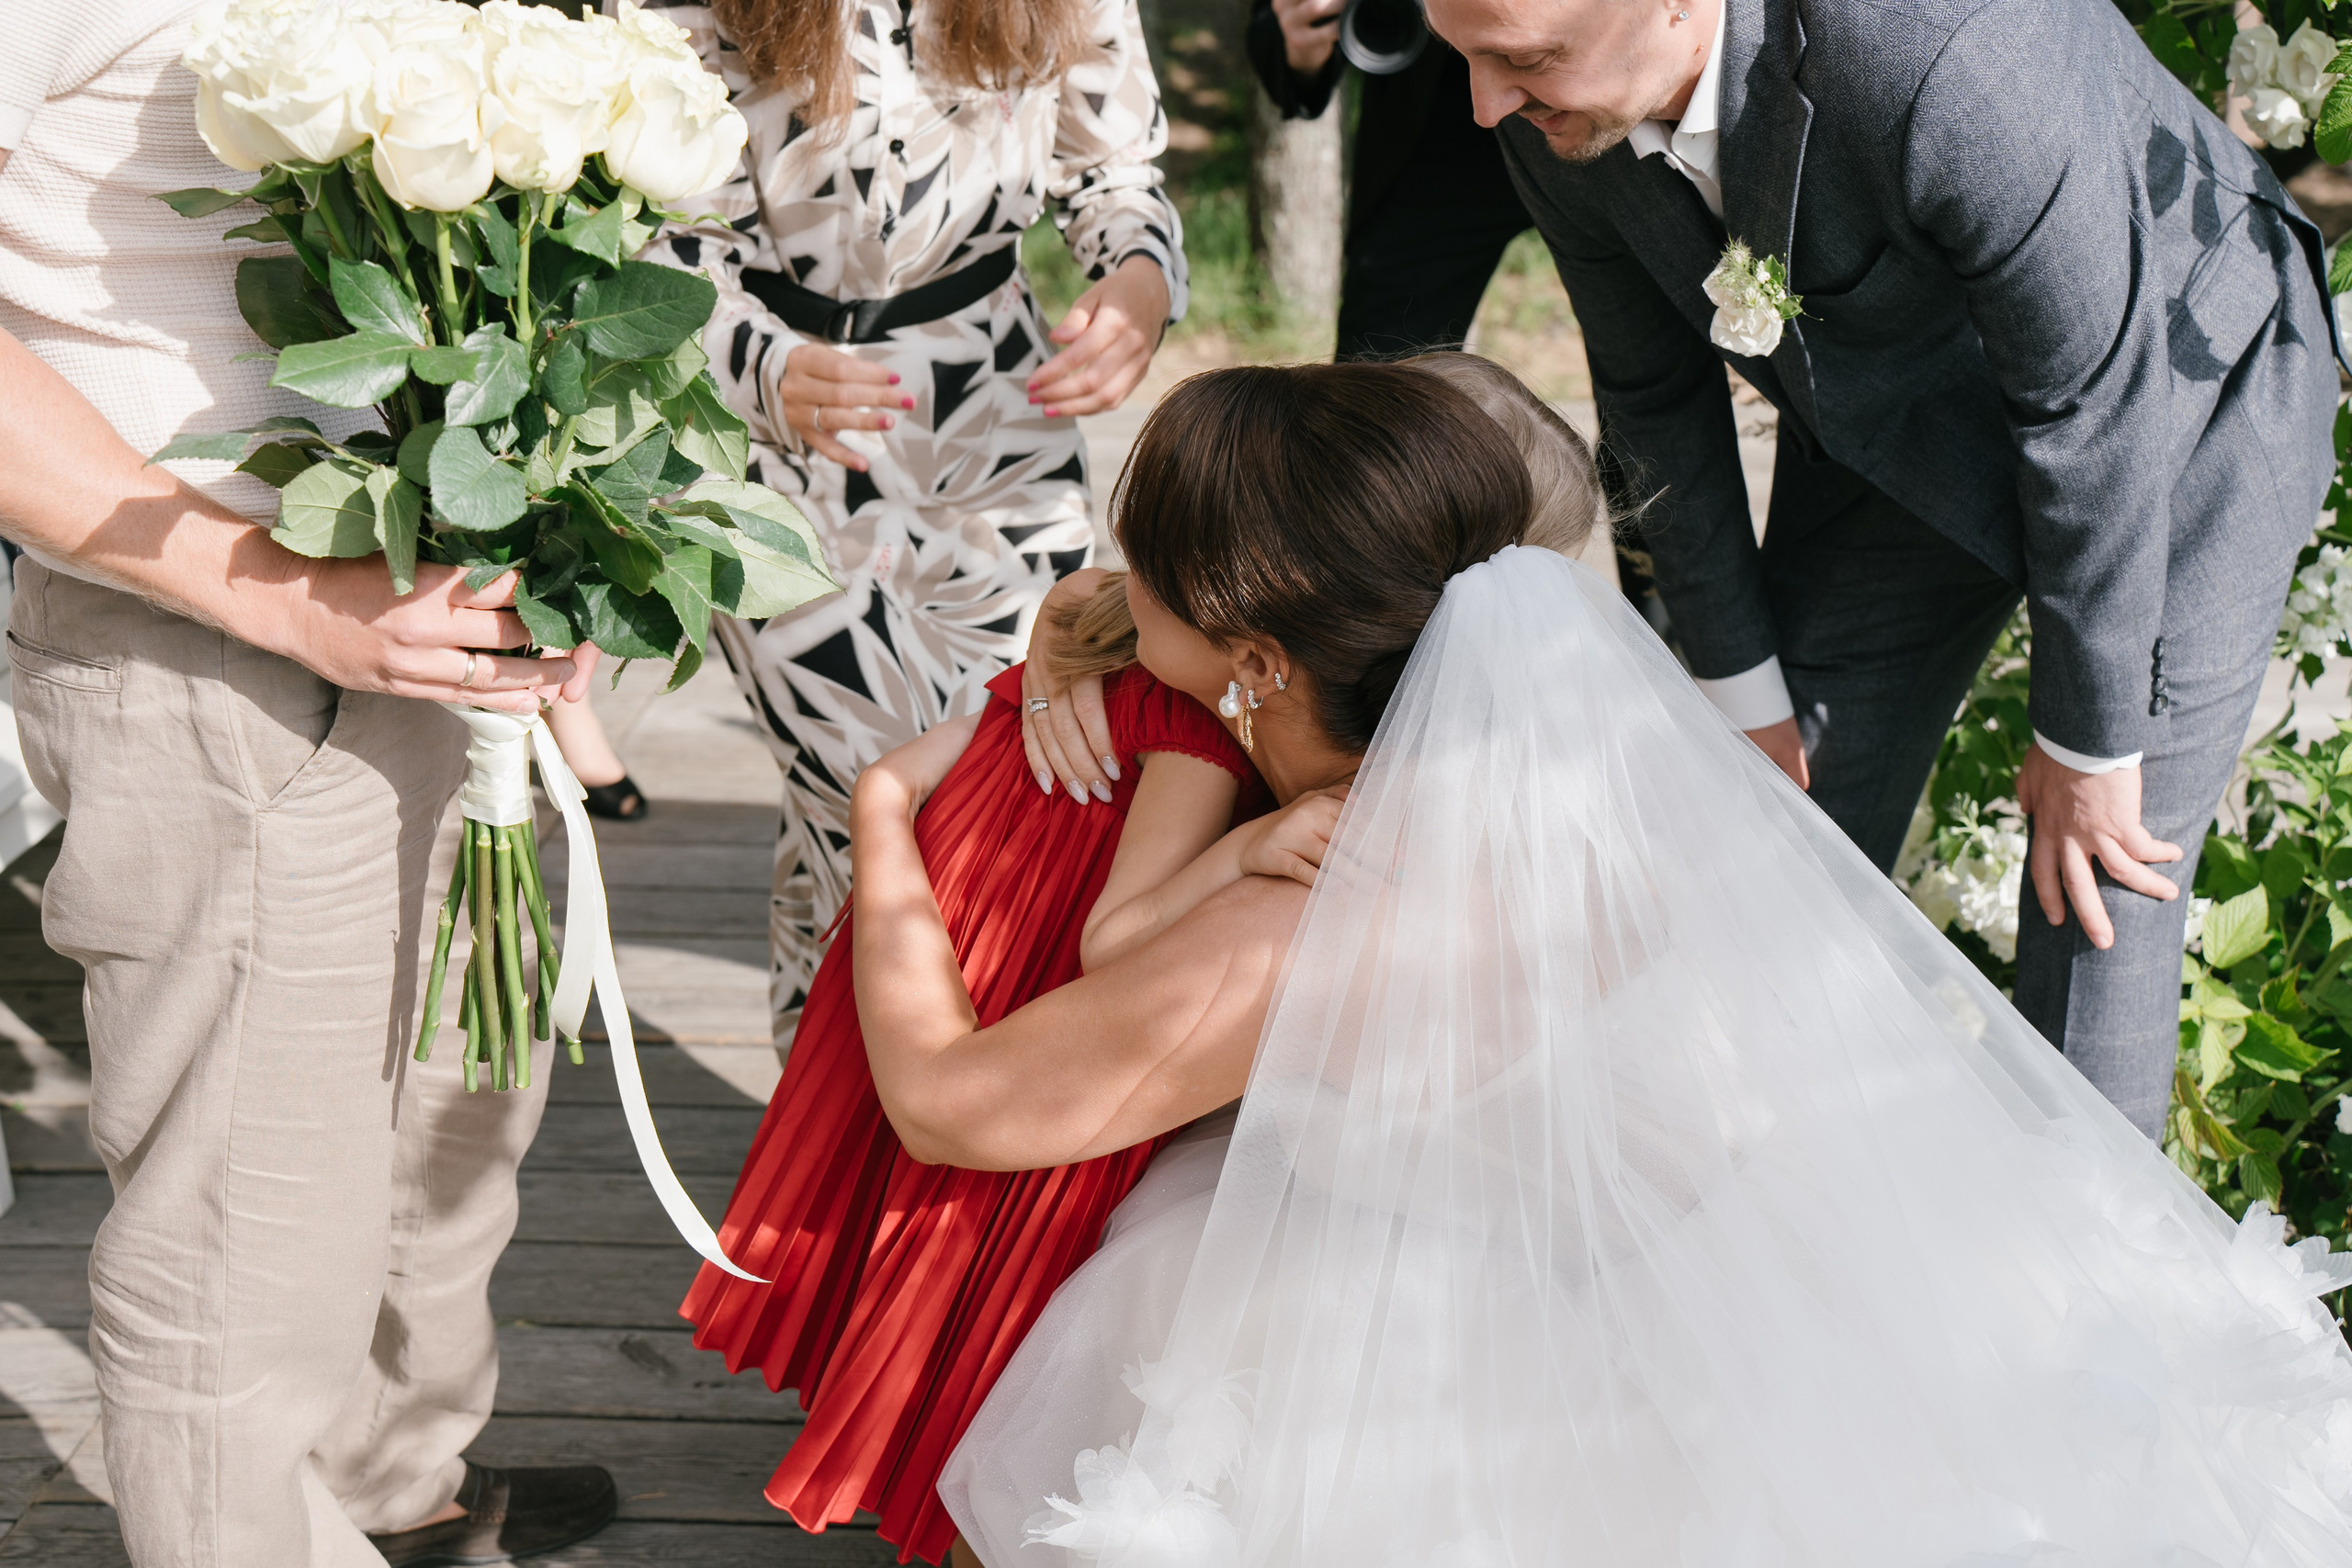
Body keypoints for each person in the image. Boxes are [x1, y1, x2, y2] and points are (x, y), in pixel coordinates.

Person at [829, 361, 2352, 1566]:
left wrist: (884, 813)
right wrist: (1108, 616)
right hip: (1752, 1326)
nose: (1115, 579)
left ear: (1259, 656)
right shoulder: (1572, 774)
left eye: (1143, 567)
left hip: (1469, 1400)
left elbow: (954, 1106)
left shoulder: (1297, 923)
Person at [1406, 0, 2338, 1141]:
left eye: (1523, 59)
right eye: (1465, 56)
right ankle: (1757, 1194)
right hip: (1902, 421)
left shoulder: (1951, 45)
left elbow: (2094, 413)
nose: (1484, 104)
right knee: (1762, 841)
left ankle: (2092, 1248)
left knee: (2097, 897)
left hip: (2175, 400)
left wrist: (2087, 748)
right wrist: (1743, 697)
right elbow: (1651, 396)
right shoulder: (1545, 110)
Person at [0, 12, 616, 1566]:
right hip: (208, 634)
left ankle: (395, 1494)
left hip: (433, 610)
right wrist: (277, 592)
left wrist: (564, 537)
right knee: (245, 1236)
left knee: (444, 1123)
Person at [639, 0, 1185, 1048]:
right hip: (761, 447)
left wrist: (1141, 281)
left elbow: (1115, 173)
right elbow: (652, 237)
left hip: (1001, 433)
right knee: (885, 804)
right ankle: (905, 1122)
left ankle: (813, 1123)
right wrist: (762, 369)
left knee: (1010, 783)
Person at [1246, 0, 1532, 361]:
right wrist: (1300, 32)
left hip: (1594, 113)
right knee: (1379, 375)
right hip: (1431, 124)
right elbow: (1280, 25)